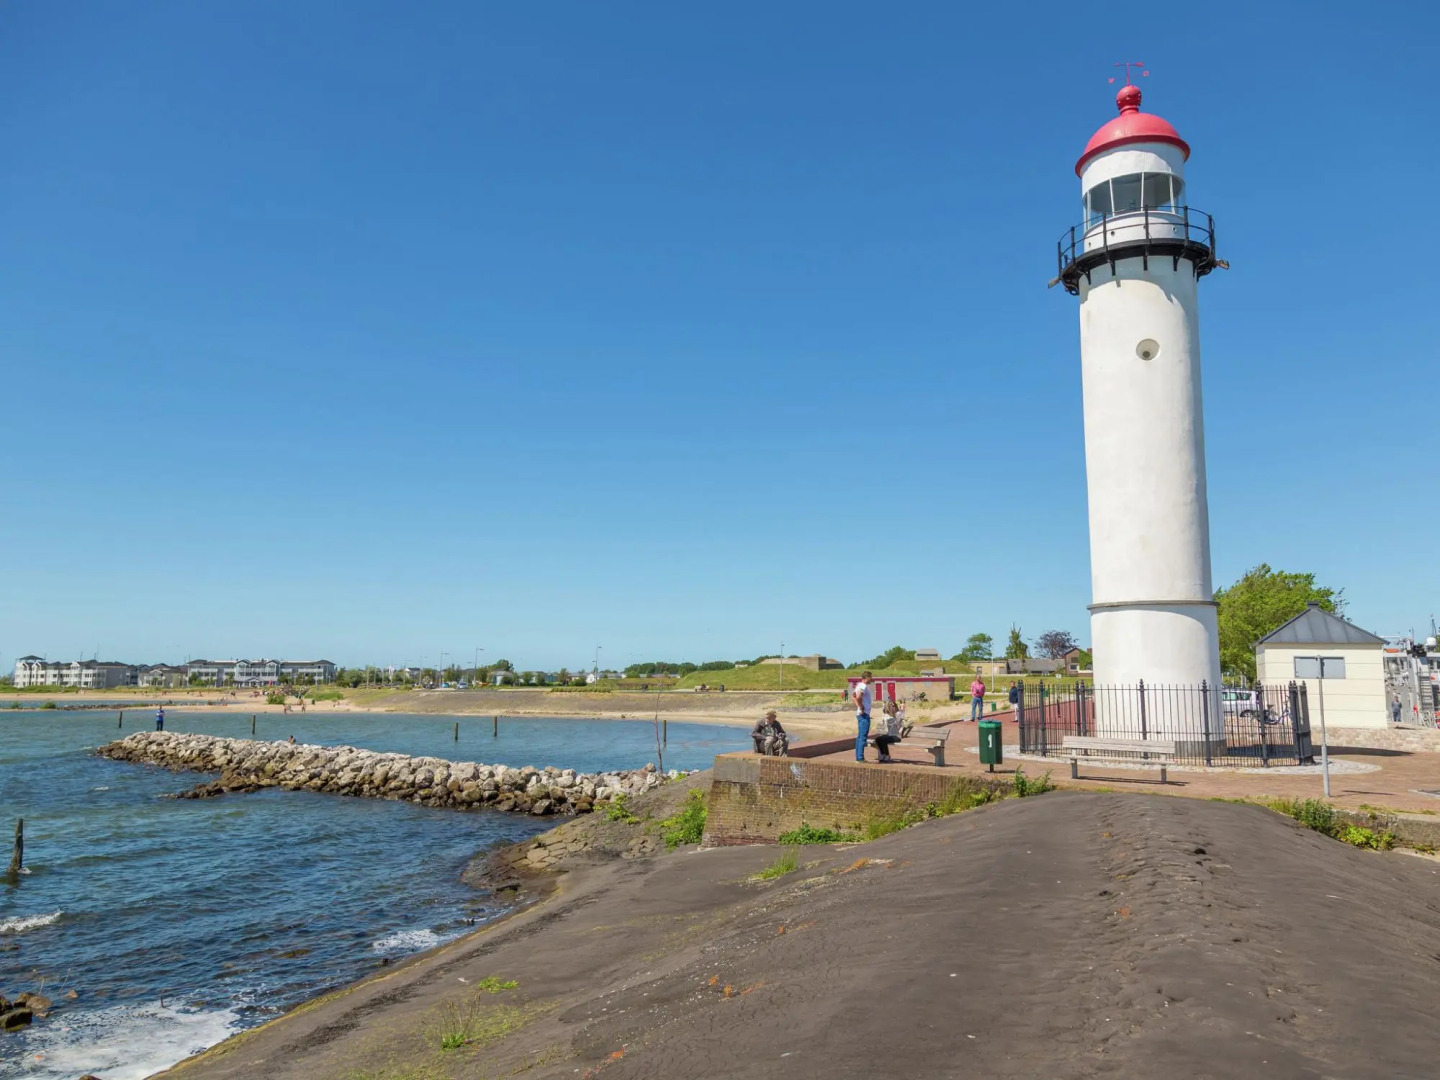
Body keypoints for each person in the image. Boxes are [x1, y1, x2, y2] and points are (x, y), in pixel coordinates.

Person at [852, 672, 873, 761]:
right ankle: (860, 758)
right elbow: (858, 697)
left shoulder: (858, 685)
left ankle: (858, 757)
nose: (871, 679)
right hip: (864, 715)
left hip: (861, 714)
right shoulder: (863, 686)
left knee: (860, 737)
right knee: (863, 737)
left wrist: (859, 706)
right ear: (867, 677)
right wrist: (861, 707)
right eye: (870, 677)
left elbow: (853, 696)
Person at [874, 698, 902, 762]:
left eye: (893, 706)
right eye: (891, 706)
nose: (893, 707)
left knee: (883, 739)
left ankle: (887, 755)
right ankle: (883, 754)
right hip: (888, 735)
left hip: (896, 736)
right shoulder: (887, 716)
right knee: (878, 739)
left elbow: (900, 726)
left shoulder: (898, 714)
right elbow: (885, 725)